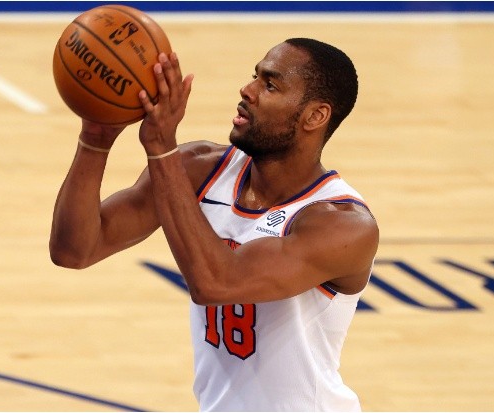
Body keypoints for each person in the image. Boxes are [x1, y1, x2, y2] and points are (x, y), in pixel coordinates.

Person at [50, 38, 379, 411]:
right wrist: (95, 139)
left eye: (270, 84)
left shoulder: (343, 226)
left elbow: (216, 282)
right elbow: (74, 250)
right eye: (254, 76)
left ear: (315, 116)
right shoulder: (198, 167)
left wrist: (161, 148)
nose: (248, 90)